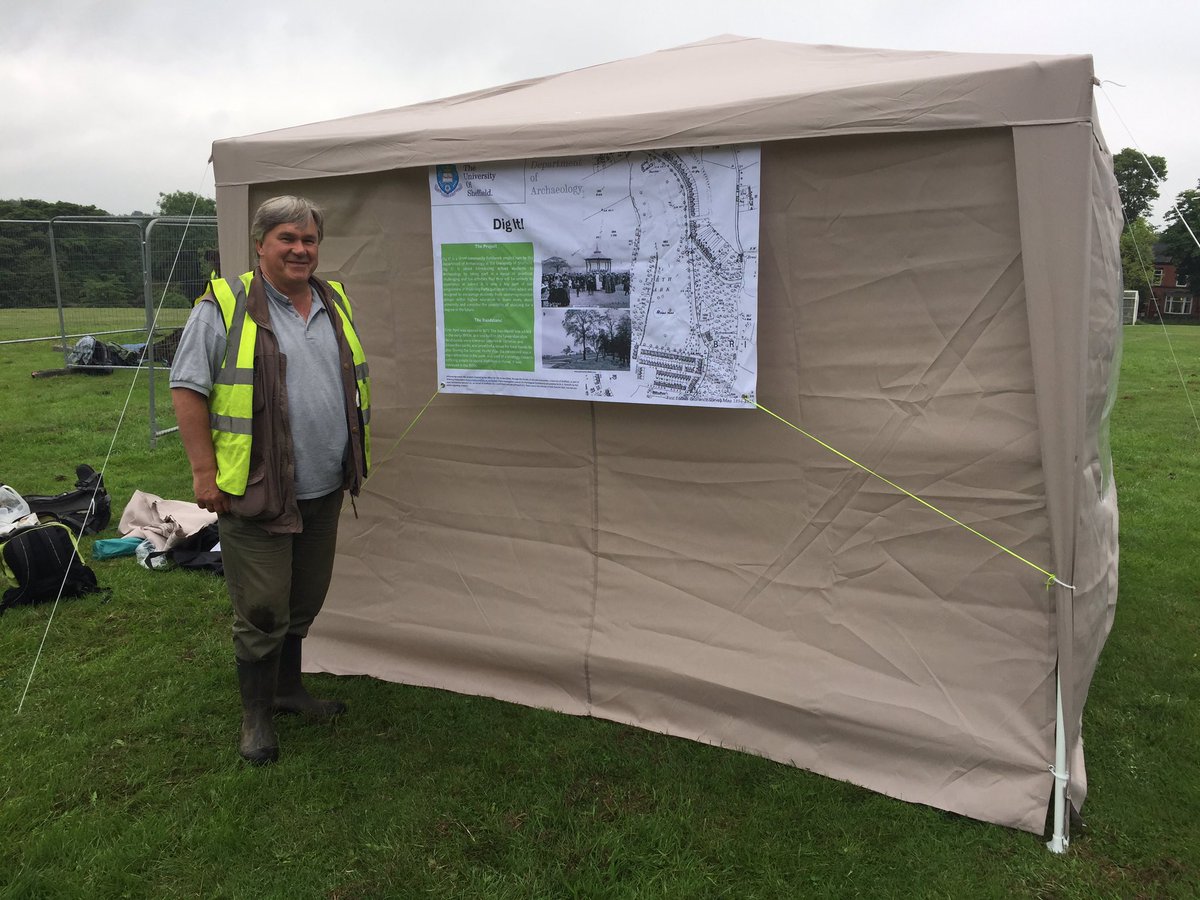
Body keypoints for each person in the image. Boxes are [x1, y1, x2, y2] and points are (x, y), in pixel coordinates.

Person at [170, 196, 370, 764]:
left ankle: (287, 690)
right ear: (260, 244)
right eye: (288, 238)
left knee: (304, 598)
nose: (300, 249)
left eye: (309, 240)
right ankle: (255, 718)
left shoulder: (333, 300)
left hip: (323, 486)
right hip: (253, 488)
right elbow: (188, 387)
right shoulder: (225, 304)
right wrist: (204, 473)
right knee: (262, 607)